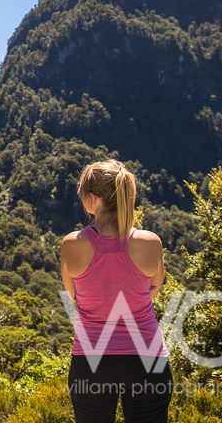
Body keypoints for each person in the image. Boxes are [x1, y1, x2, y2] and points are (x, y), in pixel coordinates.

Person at [61, 159, 173, 423]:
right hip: (146, 357)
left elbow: (74, 296)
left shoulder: (72, 244)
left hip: (91, 359)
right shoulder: (150, 242)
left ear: (92, 199)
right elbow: (154, 286)